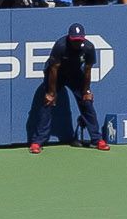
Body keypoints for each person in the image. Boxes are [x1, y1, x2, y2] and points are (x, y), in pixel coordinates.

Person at [26, 21, 106, 151]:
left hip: (75, 74)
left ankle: (97, 139)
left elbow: (87, 70)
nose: (76, 42)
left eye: (79, 40)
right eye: (73, 40)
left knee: (87, 102)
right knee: (47, 103)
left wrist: (86, 90)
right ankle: (37, 142)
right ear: (69, 38)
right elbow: (53, 70)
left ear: (83, 39)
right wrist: (51, 93)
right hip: (56, 75)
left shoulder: (89, 48)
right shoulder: (60, 46)